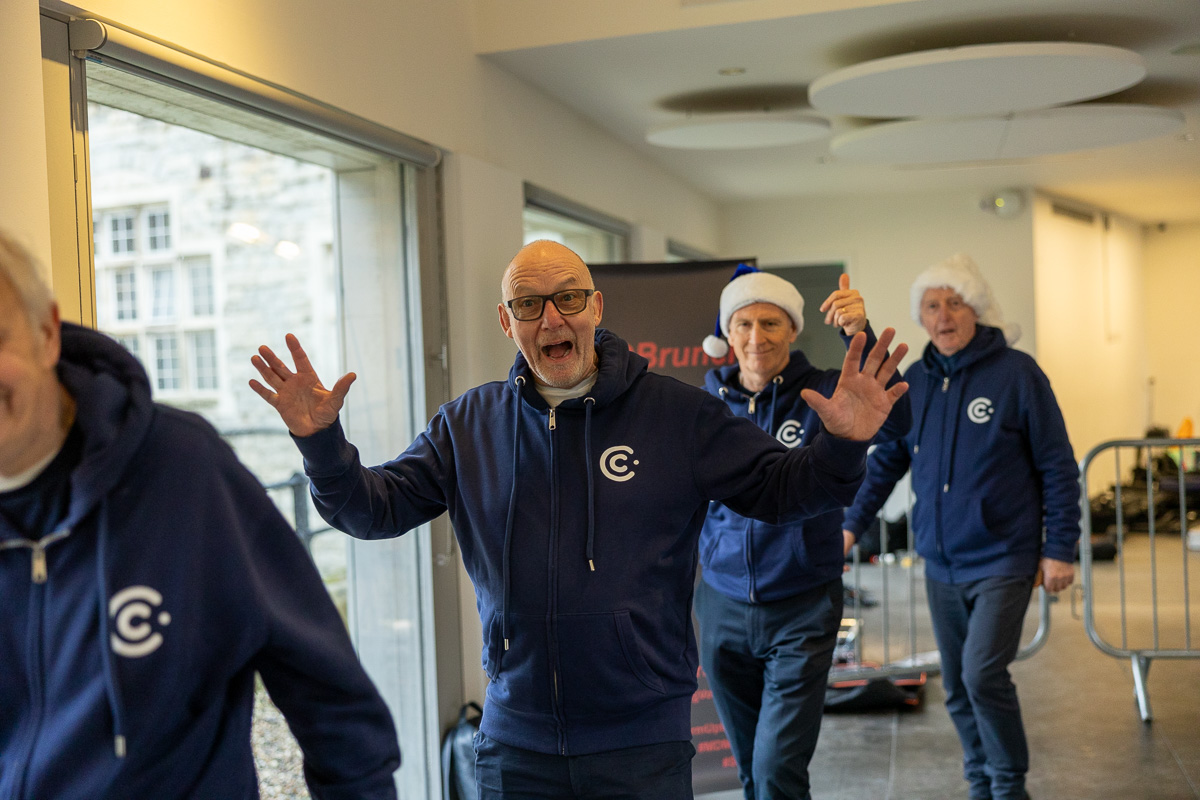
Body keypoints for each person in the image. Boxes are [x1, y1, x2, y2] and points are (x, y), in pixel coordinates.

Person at [249, 239, 910, 800]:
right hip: (516, 742)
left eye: (568, 298)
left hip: (641, 741)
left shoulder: (676, 416)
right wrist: (322, 446)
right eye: (528, 304)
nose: (551, 318)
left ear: (595, 307)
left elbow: (786, 492)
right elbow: (370, 509)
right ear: (507, 323)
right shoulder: (468, 426)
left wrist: (845, 443)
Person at [0, 230, 401, 800]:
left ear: (45, 336)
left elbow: (330, 697)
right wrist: (322, 446)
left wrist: (322, 445)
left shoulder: (181, 470)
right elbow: (372, 506)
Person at [842, 253, 1080, 800]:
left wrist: (1060, 547)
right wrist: (852, 525)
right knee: (955, 687)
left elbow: (1057, 465)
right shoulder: (917, 382)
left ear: (975, 308)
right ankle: (980, 780)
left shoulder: (1017, 374)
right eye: (932, 306)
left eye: (954, 303)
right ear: (920, 318)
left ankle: (1007, 784)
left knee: (981, 676)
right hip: (941, 561)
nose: (944, 315)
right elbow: (887, 462)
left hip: (1004, 557)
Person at [694, 266, 912, 800]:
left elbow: (899, 420)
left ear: (792, 331)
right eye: (743, 323)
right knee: (750, 769)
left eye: (771, 323)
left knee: (776, 771)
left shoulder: (822, 391)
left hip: (801, 603)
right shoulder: (703, 407)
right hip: (721, 605)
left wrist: (855, 333)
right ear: (727, 332)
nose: (756, 337)